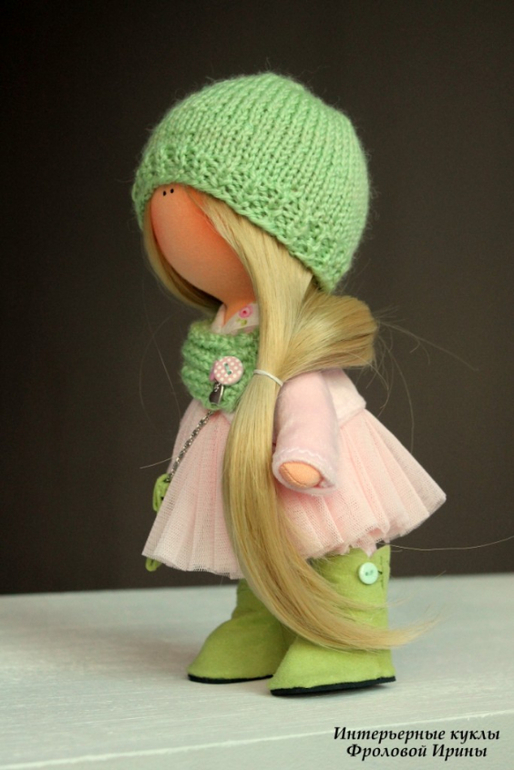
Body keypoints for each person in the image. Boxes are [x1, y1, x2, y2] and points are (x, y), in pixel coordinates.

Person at [131, 73, 446, 695]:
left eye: (204, 200)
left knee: (326, 539)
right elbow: (209, 406)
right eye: (159, 192)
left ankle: (347, 628)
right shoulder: (223, 331)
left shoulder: (289, 342)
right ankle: (265, 616)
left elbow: (304, 400)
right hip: (244, 462)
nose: (166, 205)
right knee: (257, 540)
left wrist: (305, 452)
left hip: (307, 465)